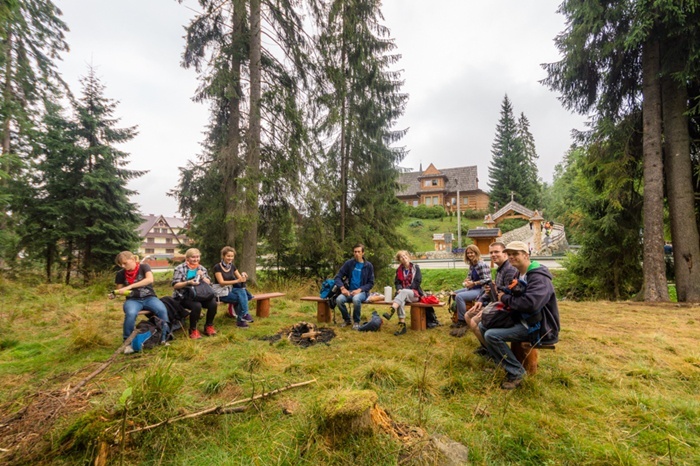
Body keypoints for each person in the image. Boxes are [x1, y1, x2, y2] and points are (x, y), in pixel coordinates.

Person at [480, 241, 560, 390]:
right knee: (483, 325)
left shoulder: (538, 276)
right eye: (509, 254)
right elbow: (515, 292)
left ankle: (517, 374)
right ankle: (503, 366)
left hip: (538, 326)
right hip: (522, 319)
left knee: (491, 335)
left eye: (515, 254)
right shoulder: (519, 273)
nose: (511, 257)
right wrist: (498, 290)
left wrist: (504, 297)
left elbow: (530, 304)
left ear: (526, 255)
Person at [465, 242, 518, 353]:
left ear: (505, 254)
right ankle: (486, 347)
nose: (493, 255)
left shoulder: (509, 270)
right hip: (496, 303)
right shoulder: (500, 269)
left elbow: (508, 295)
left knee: (475, 320)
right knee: (468, 315)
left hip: (507, 310)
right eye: (491, 252)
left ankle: (493, 352)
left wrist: (487, 309)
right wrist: (481, 300)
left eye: (497, 252)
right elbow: (493, 289)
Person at [113, 251, 170, 344]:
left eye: (125, 263)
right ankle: (127, 340)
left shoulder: (144, 267)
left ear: (132, 259)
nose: (123, 266)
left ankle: (164, 337)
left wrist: (130, 286)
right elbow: (119, 290)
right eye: (120, 264)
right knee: (131, 313)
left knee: (162, 310)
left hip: (149, 297)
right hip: (132, 300)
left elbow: (149, 279)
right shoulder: (120, 274)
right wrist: (116, 293)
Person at [172, 248, 218, 339]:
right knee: (197, 306)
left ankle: (208, 326)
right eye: (193, 257)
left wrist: (202, 276)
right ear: (187, 258)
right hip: (183, 296)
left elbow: (209, 282)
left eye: (197, 257)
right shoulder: (180, 268)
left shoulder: (201, 268)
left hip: (200, 294)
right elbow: (175, 285)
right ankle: (193, 329)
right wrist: (188, 282)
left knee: (213, 303)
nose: (196, 259)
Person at [334, 243, 375, 330]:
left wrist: (360, 289)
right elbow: (337, 277)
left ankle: (356, 322)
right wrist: (342, 288)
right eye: (355, 252)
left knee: (356, 299)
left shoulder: (368, 266)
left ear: (363, 253)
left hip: (362, 292)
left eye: (359, 252)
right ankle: (347, 320)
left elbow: (371, 283)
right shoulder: (349, 264)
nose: (356, 253)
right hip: (349, 291)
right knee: (339, 300)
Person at [383, 250, 424, 336]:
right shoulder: (399, 270)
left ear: (408, 257)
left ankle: (392, 309)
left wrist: (404, 290)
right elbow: (397, 283)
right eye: (401, 256)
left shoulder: (415, 268)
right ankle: (402, 326)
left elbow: (417, 282)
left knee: (402, 294)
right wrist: (399, 289)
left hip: (414, 294)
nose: (404, 257)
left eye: (405, 255)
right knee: (400, 300)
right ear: (399, 260)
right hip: (402, 294)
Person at [212, 246, 255, 328]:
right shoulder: (217, 267)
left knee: (244, 293)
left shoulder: (232, 266)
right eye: (228, 256)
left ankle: (243, 316)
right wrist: (236, 281)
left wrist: (243, 275)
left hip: (229, 289)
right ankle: (242, 319)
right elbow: (221, 283)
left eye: (232, 256)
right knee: (241, 298)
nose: (230, 258)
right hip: (221, 293)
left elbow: (241, 279)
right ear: (223, 256)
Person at [452, 244, 491, 327]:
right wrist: (467, 281)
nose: (469, 255)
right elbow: (469, 277)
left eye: (471, 252)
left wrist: (474, 283)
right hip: (472, 288)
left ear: (476, 253)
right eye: (468, 253)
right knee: (454, 293)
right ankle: (459, 312)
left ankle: (462, 320)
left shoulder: (482, 264)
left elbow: (488, 279)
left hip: (481, 290)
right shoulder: (472, 264)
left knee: (459, 296)